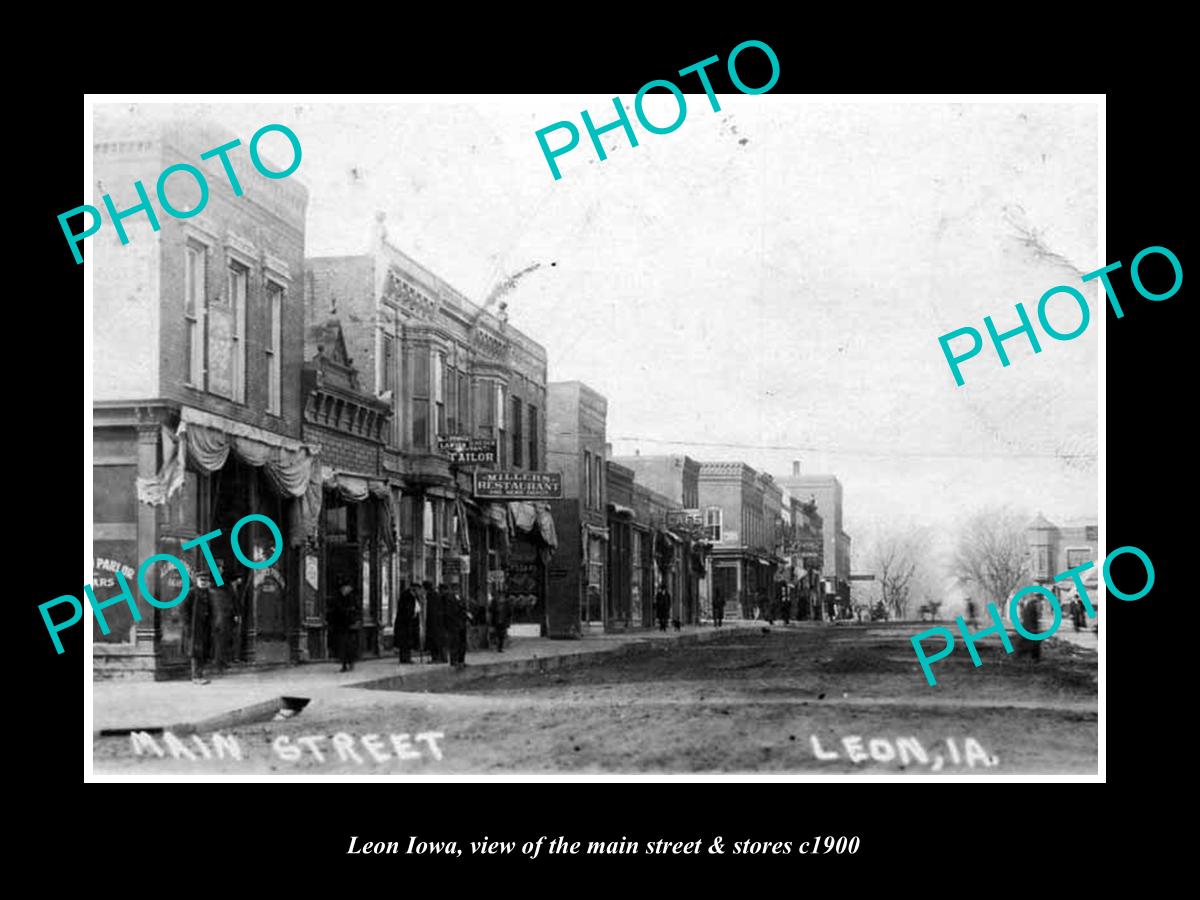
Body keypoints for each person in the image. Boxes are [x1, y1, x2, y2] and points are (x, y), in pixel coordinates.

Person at [183, 569, 212, 684]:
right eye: (201, 580)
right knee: (195, 651)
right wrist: (188, 625)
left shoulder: (209, 593)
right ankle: (196, 676)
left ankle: (200, 674)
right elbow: (184, 611)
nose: (204, 582)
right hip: (194, 626)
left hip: (205, 627)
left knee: (203, 650)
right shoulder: (191, 593)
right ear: (197, 580)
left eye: (206, 580)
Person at [327, 578, 359, 672]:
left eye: (346, 588)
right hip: (341, 626)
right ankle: (344, 664)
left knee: (348, 645)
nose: (344, 590)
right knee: (342, 645)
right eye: (343, 588)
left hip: (349, 626)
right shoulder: (339, 597)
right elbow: (336, 611)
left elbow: (355, 611)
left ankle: (350, 663)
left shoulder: (351, 598)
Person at [443, 582, 469, 668]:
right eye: (455, 589)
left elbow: (464, 609)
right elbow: (449, 612)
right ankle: (454, 661)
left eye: (458, 589)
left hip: (462, 624)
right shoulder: (449, 599)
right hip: (454, 624)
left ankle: (461, 660)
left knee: (462, 643)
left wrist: (467, 617)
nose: (456, 591)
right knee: (455, 643)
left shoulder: (461, 598)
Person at [423, 579, 445, 663]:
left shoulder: (431, 595)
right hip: (437, 622)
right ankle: (439, 657)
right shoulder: (435, 594)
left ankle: (435, 658)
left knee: (434, 641)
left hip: (433, 623)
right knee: (436, 641)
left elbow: (432, 610)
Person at [396, 580, 418, 664]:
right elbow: (406, 609)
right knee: (405, 641)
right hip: (404, 622)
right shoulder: (407, 595)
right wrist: (412, 613)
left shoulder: (412, 595)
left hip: (408, 622)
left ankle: (406, 657)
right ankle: (405, 658)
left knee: (407, 641)